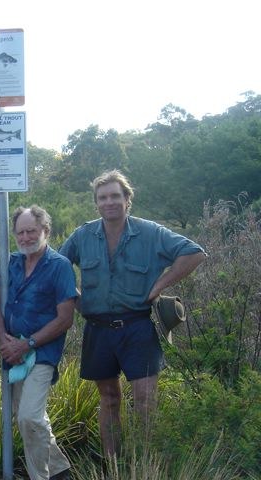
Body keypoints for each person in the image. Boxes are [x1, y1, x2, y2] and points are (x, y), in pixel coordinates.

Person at [59, 170, 206, 460]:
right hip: (98, 329)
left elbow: (195, 253)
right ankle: (113, 465)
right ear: (96, 203)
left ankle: (145, 462)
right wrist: (76, 298)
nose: (109, 202)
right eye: (103, 197)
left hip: (137, 327)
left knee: (145, 400)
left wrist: (160, 286)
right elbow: (56, 268)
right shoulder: (83, 235)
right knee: (109, 399)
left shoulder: (150, 232)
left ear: (128, 200)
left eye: (115, 196)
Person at [0, 205, 76, 480]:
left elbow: (65, 319)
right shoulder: (11, 262)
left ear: (45, 231)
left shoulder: (59, 266)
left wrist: (26, 344)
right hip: (11, 352)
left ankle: (39, 476)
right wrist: (4, 340)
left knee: (29, 417)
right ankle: (60, 471)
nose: (26, 237)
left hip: (41, 353)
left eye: (32, 231)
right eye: (21, 232)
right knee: (26, 416)